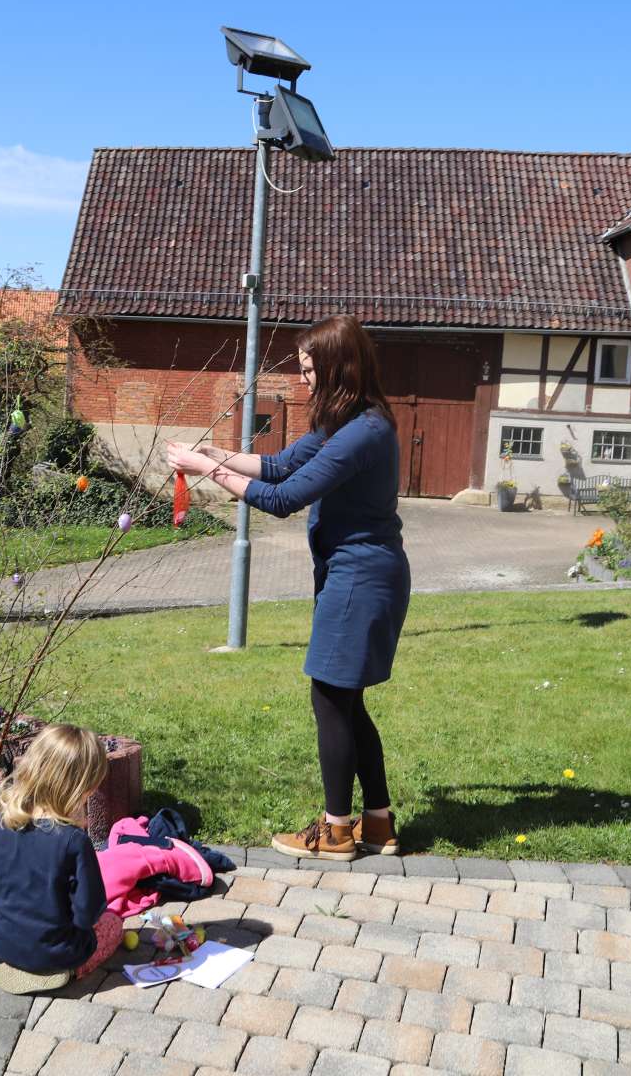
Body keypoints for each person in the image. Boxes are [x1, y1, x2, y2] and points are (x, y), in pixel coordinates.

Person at [165, 314, 411, 861]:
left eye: (309, 371)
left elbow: (281, 498)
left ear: (337, 368)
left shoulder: (363, 433)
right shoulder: (345, 425)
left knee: (329, 697)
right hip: (358, 576)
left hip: (360, 579)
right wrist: (212, 455)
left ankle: (335, 831)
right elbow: (276, 466)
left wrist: (206, 471)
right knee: (347, 701)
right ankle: (377, 823)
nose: (303, 382)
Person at [0, 725, 118, 994]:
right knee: (113, 923)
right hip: (56, 952)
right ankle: (71, 969)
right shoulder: (74, 840)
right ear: (82, 788)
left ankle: (27, 962)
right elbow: (89, 911)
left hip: (0, 941)